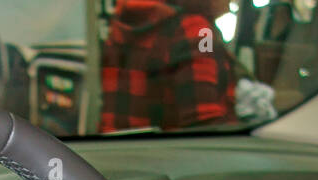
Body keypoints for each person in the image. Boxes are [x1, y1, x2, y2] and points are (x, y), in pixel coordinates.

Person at [100, 0, 237, 132]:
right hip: (172, 152)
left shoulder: (121, 23)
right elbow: (203, 123)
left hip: (117, 150)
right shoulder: (198, 31)